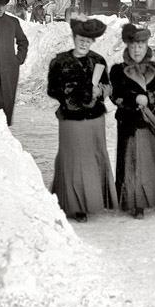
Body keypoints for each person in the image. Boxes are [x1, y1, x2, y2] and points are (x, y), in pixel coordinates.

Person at [47, 17, 117, 222]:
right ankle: (74, 205)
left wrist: (100, 91)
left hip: (94, 119)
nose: (84, 42)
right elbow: (52, 90)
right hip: (71, 118)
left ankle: (96, 200)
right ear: (74, 37)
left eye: (88, 39)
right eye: (80, 38)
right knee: (73, 160)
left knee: (93, 158)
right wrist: (82, 92)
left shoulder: (99, 60)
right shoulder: (59, 62)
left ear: (92, 41)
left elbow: (108, 87)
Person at [108, 23, 155, 218]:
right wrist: (134, 100)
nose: (137, 50)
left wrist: (150, 97)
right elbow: (115, 95)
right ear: (127, 48)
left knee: (151, 163)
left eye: (140, 45)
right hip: (129, 123)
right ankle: (135, 203)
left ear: (146, 46)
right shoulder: (117, 70)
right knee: (132, 166)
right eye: (133, 46)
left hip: (150, 123)